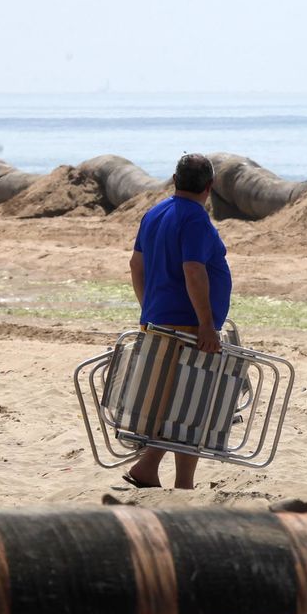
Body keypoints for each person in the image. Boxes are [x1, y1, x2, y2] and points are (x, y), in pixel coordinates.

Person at [119, 152, 233, 490]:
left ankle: (158, 471)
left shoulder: (153, 214)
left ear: (174, 179)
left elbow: (135, 266)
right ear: (210, 187)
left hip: (159, 321)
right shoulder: (195, 219)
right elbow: (194, 271)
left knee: (175, 403)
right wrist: (207, 324)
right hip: (187, 325)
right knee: (192, 405)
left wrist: (149, 308)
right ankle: (175, 480)